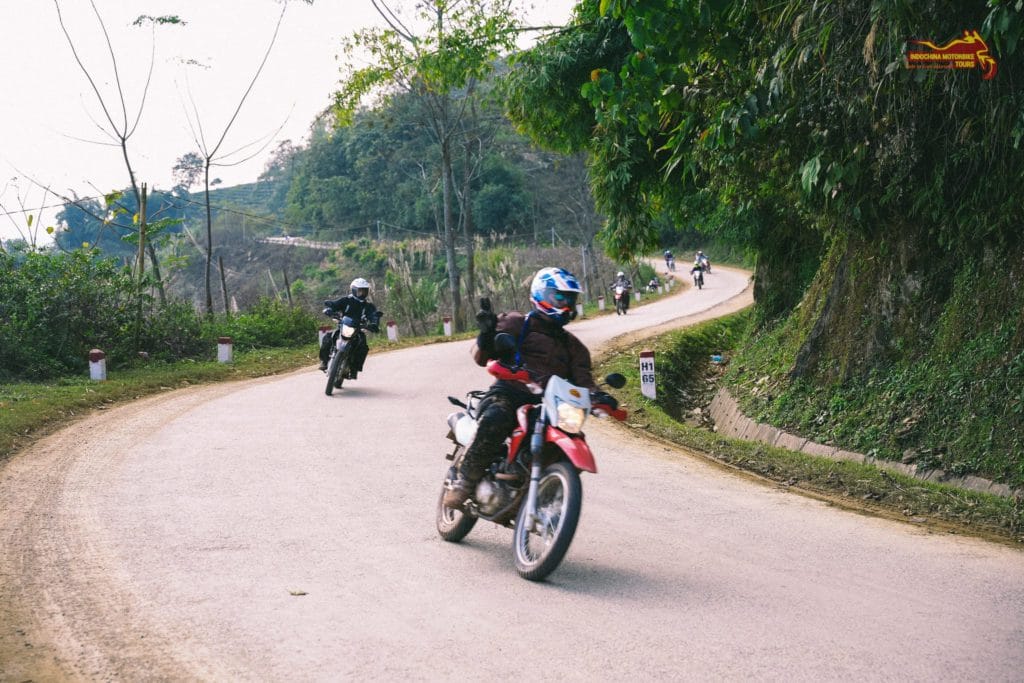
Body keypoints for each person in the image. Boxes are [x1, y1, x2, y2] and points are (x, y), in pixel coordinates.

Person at [443, 267, 615, 508]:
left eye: (570, 299)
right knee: (496, 418)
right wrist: (486, 337)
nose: (566, 304)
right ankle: (465, 481)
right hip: (509, 392)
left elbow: (584, 380)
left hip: (549, 405)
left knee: (572, 439)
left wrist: (599, 397)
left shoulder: (574, 347)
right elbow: (481, 357)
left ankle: (548, 496)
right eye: (560, 297)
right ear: (541, 294)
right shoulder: (517, 323)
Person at [318, 277, 382, 379]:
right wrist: (329, 309)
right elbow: (334, 305)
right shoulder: (346, 300)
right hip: (343, 325)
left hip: (358, 330)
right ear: (354, 290)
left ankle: (354, 369)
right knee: (328, 337)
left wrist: (374, 324)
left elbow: (374, 315)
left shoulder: (368, 306)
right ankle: (324, 361)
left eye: (364, 291)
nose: (362, 293)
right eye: (360, 291)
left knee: (362, 346)